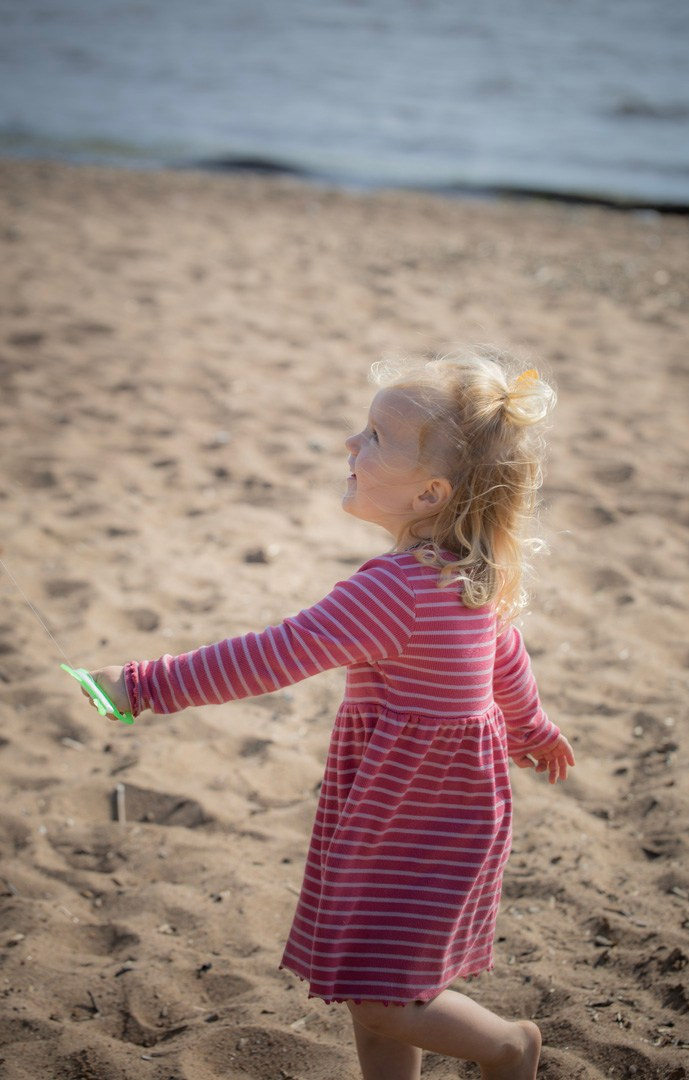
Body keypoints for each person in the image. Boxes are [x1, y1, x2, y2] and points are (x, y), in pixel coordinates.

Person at [89, 350, 575, 1080]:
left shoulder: (395, 588)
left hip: (418, 811)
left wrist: (142, 685)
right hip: (443, 804)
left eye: (376, 437)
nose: (352, 444)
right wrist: (533, 729)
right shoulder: (466, 571)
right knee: (375, 984)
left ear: (429, 494)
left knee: (384, 996)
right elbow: (509, 661)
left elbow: (270, 655)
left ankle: (510, 1046)